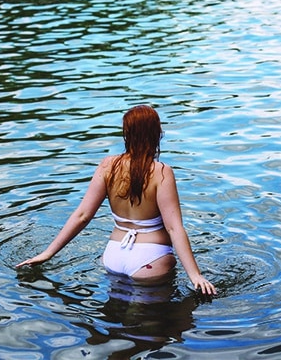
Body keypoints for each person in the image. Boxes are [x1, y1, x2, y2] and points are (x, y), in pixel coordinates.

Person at [16, 104, 216, 294]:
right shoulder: (162, 172)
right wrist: (195, 275)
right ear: (156, 133)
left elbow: (82, 216)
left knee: (115, 311)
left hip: (113, 255)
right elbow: (174, 228)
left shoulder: (107, 166)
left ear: (126, 134)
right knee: (151, 317)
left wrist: (48, 253)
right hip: (151, 259)